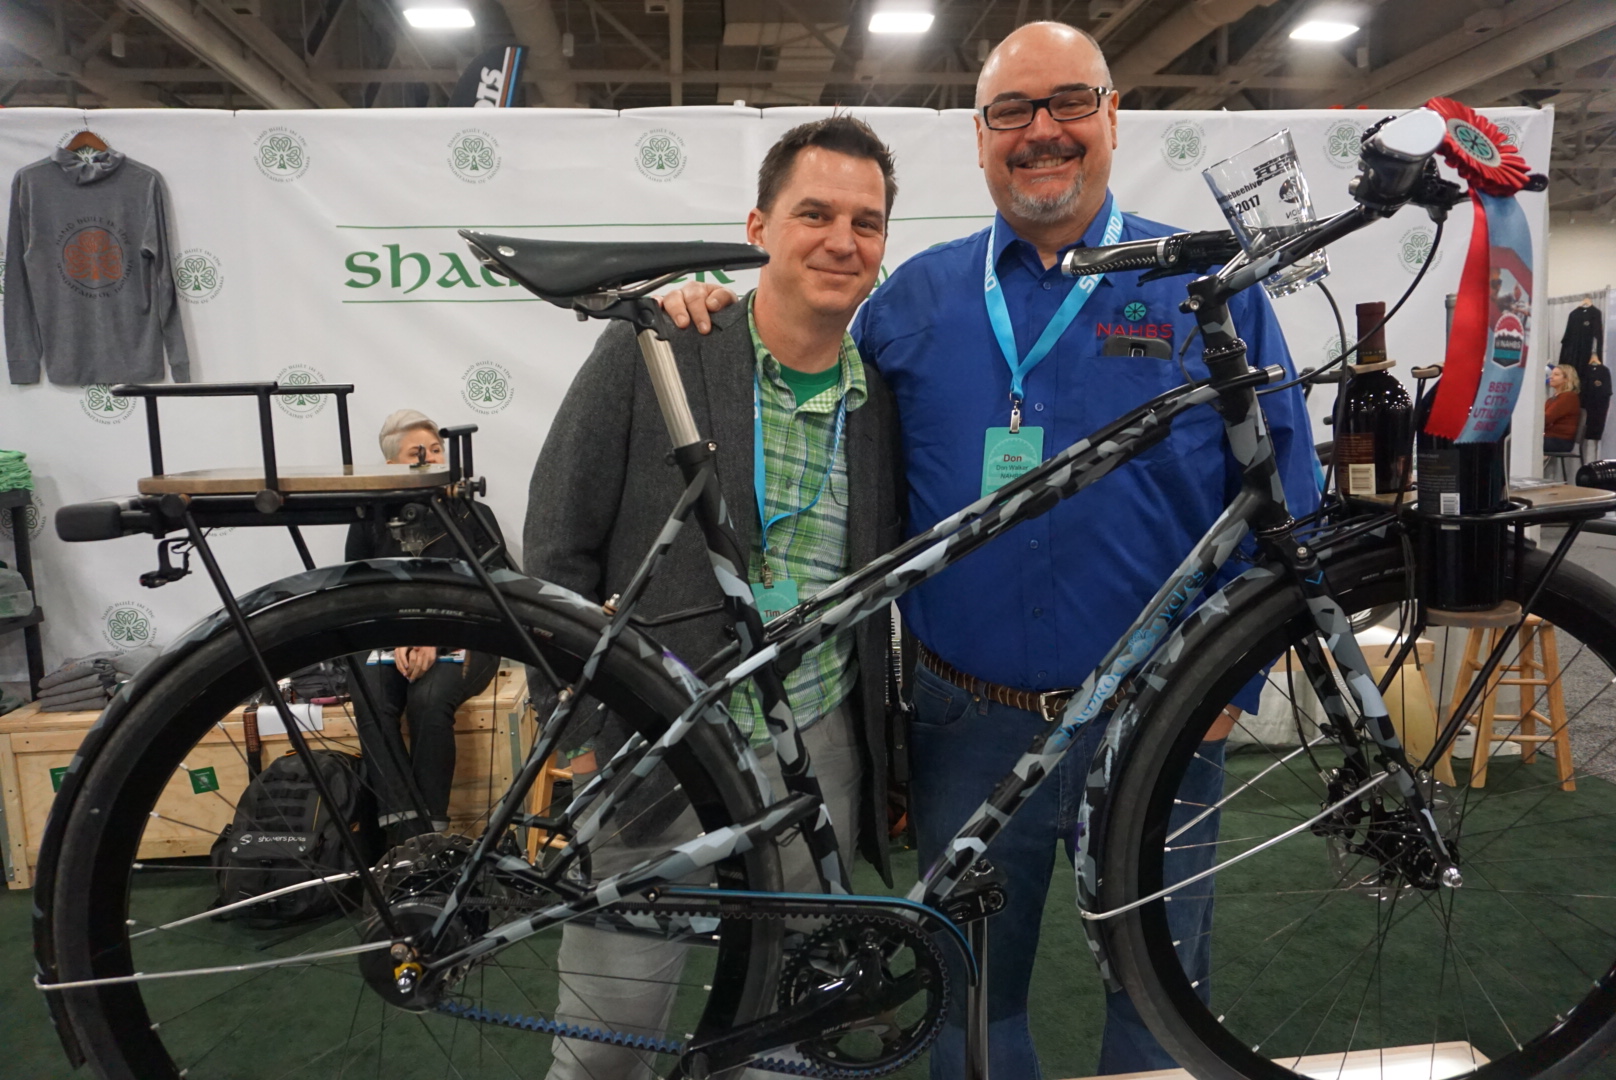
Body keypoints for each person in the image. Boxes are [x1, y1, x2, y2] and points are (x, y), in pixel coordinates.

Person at [663, 22, 1319, 1078]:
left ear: (1110, 119)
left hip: (1160, 719)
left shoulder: (1204, 287)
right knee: (969, 994)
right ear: (978, 138)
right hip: (964, 719)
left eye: (1067, 103)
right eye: (1012, 111)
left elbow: (1282, 489)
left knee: (1157, 995)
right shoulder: (913, 300)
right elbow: (796, 355)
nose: (1041, 132)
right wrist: (706, 310)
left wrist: (1228, 683)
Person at [523, 115, 905, 1080]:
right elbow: (559, 536)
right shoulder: (661, 347)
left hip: (817, 739)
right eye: (814, 212)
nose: (840, 239)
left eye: (866, 221)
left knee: (779, 1039)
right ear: (758, 226)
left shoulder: (885, 397)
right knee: (610, 1038)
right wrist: (562, 712)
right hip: (658, 735)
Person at [346, 409, 508, 838]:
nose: (433, 460)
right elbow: (357, 593)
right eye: (419, 454)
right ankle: (405, 834)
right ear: (391, 466)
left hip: (466, 635)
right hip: (391, 640)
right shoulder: (369, 518)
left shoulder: (473, 513)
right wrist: (399, 633)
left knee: (428, 701)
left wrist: (436, 634)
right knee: (371, 699)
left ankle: (432, 836)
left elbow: (497, 591)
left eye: (436, 450)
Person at [1544, 363, 1582, 454]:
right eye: (1551, 374)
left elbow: (1546, 418)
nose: (1551, 377)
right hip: (1552, 438)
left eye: (1556, 375)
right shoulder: (1554, 398)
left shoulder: (1568, 397)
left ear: (1566, 379)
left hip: (1561, 441)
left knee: (1521, 442)